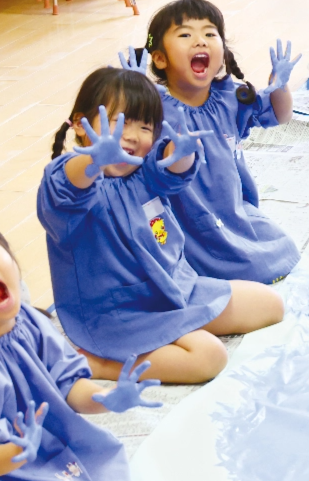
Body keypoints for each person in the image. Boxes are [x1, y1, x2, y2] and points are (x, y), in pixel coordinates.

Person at [40, 68, 285, 384]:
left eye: (144, 126)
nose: (130, 135)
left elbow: (172, 171)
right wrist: (93, 161)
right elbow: (69, 187)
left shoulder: (143, 173)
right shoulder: (71, 181)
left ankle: (179, 326)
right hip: (118, 314)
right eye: (117, 122)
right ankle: (97, 365)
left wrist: (182, 153)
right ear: (79, 123)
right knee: (209, 356)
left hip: (177, 289)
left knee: (271, 304)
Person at [0, 214, 160, 481]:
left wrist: (107, 397)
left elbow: (66, 385)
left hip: (42, 449)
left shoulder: (29, 320)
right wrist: (16, 451)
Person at [119, 0, 302, 284]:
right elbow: (136, 160)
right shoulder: (154, 108)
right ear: (159, 58)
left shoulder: (229, 96)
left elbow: (279, 115)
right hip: (184, 224)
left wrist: (279, 85)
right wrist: (134, 99)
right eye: (185, 34)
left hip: (233, 211)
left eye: (209, 33)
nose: (200, 41)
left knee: (281, 246)